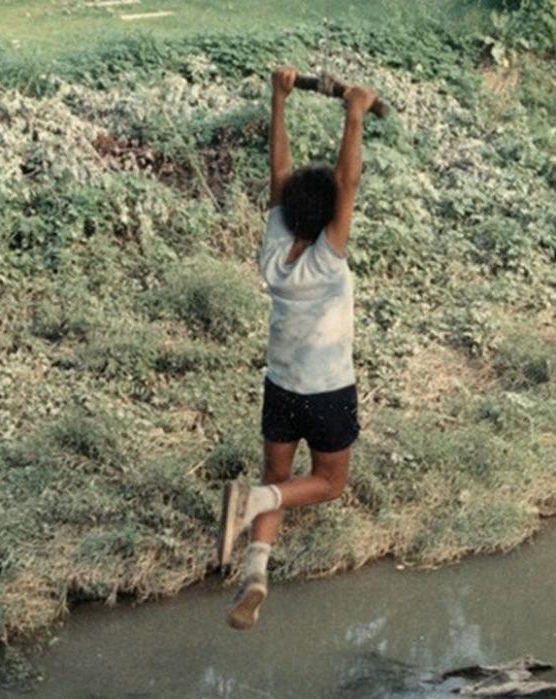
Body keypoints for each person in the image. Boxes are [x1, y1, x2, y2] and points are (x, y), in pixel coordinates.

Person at [215, 66, 377, 630]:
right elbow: (348, 180)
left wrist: (278, 99)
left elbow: (279, 173)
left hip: (280, 387)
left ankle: (255, 575)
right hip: (327, 391)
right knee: (327, 484)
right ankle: (258, 503)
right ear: (332, 216)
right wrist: (355, 111)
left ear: (286, 213)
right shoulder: (328, 261)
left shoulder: (275, 246)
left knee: (276, 476)